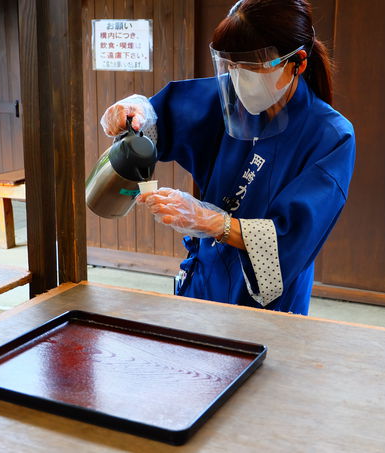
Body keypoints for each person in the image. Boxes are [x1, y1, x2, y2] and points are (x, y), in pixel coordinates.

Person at [100, 0, 355, 315]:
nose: (238, 78)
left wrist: (210, 221)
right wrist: (132, 113)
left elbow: (293, 238)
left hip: (267, 297)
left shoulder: (331, 136)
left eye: (253, 67)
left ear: (298, 62)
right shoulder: (227, 98)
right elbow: (158, 121)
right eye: (231, 65)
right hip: (207, 271)